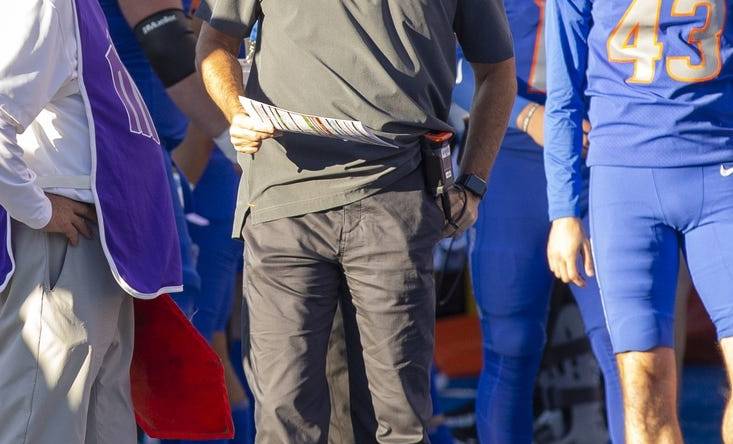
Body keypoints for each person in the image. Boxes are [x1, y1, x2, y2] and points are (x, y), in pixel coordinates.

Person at [195, 0, 517, 442]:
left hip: (397, 203)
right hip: (284, 203)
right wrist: (236, 110)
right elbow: (215, 42)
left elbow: (498, 71)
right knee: (285, 420)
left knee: (400, 422)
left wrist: (474, 183)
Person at [543, 0, 732, 442]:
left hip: (721, 166)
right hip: (625, 182)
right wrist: (564, 210)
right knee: (644, 383)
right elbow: (564, 92)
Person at [0, 0, 182, 442]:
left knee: (99, 425)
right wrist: (39, 210)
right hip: (62, 246)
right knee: (41, 425)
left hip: (95, 245)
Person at [464, 1, 623, 441]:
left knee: (624, 347)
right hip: (512, 156)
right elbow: (448, 70)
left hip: (598, 156)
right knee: (510, 348)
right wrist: (527, 116)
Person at [98, 1, 253, 441]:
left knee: (193, 346)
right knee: (176, 351)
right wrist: (236, 144)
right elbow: (169, 46)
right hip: (131, 165)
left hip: (153, 161)